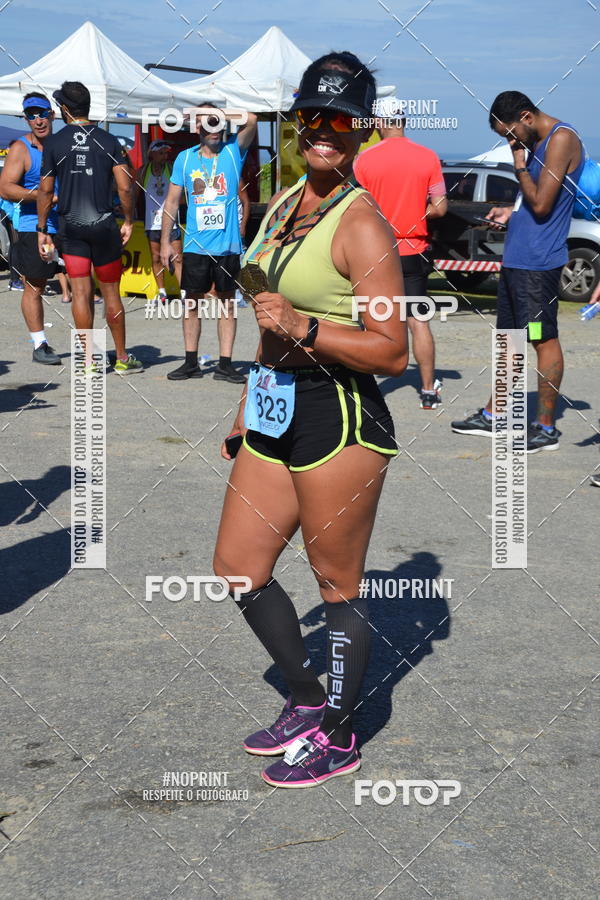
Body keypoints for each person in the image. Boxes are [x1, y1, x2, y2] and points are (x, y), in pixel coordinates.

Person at [213, 52, 408, 788]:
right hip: (275, 404)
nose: (324, 131)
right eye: (311, 117)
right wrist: (247, 404)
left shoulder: (363, 225)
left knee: (336, 585)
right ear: (297, 125)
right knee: (237, 566)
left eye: (340, 120)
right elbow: (267, 312)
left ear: (359, 131)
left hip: (340, 414)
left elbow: (391, 350)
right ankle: (304, 695)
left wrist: (308, 329)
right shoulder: (291, 198)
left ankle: (338, 733)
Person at [451, 91, 583, 452]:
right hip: (517, 261)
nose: (510, 142)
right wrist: (510, 212)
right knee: (509, 340)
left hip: (538, 266)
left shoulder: (561, 139)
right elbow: (532, 203)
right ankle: (495, 415)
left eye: (509, 134)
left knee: (541, 337)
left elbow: (542, 205)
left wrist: (518, 163)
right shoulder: (539, 143)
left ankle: (545, 427)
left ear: (526, 116)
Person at [36, 81, 143, 373]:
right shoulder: (109, 142)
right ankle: (122, 357)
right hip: (104, 226)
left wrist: (43, 228)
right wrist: (130, 220)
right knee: (111, 292)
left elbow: (45, 192)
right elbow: (125, 188)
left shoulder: (55, 143)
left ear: (65, 109)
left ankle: (90, 361)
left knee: (81, 293)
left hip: (71, 228)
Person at [354, 97, 447, 408]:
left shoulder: (364, 160)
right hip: (413, 249)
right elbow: (440, 207)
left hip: (375, 250)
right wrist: (417, 212)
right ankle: (428, 390)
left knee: (371, 319)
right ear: (404, 121)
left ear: (379, 123)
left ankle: (365, 392)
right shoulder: (428, 157)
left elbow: (355, 208)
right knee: (418, 320)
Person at [160, 104, 257, 382]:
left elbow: (251, 119)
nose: (212, 128)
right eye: (205, 124)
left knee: (227, 304)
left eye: (216, 123)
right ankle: (191, 361)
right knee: (191, 303)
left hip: (227, 246)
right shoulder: (185, 159)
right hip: (195, 245)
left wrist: (217, 114)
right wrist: (166, 242)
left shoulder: (232, 151)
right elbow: (171, 202)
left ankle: (225, 364)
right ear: (196, 128)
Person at [0, 94, 61, 364]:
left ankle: (90, 346)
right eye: (32, 115)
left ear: (52, 115)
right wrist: (43, 196)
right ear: (26, 119)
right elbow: (6, 188)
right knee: (35, 285)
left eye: (42, 114)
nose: (38, 120)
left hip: (70, 225)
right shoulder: (21, 149)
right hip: (33, 227)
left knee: (85, 284)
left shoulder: (64, 146)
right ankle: (40, 345)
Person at [135, 140, 182, 302]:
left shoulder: (171, 169)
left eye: (166, 153)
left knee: (177, 257)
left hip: (171, 221)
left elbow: (182, 193)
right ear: (152, 154)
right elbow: (135, 194)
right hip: (152, 222)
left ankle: (183, 293)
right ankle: (162, 292)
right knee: (156, 258)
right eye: (161, 153)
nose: (165, 156)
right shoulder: (143, 171)